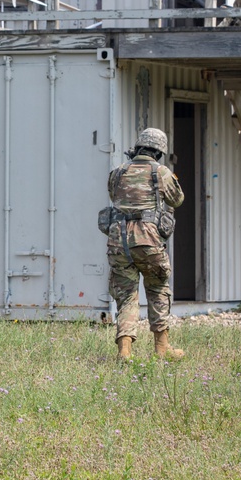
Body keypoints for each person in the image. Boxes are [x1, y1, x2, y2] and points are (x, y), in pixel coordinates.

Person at [102, 128, 185, 361]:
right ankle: (162, 349)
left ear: (138, 147)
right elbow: (177, 200)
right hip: (148, 240)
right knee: (158, 288)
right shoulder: (162, 172)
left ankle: (125, 351)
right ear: (159, 151)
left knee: (126, 294)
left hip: (118, 240)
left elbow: (114, 196)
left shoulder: (117, 172)